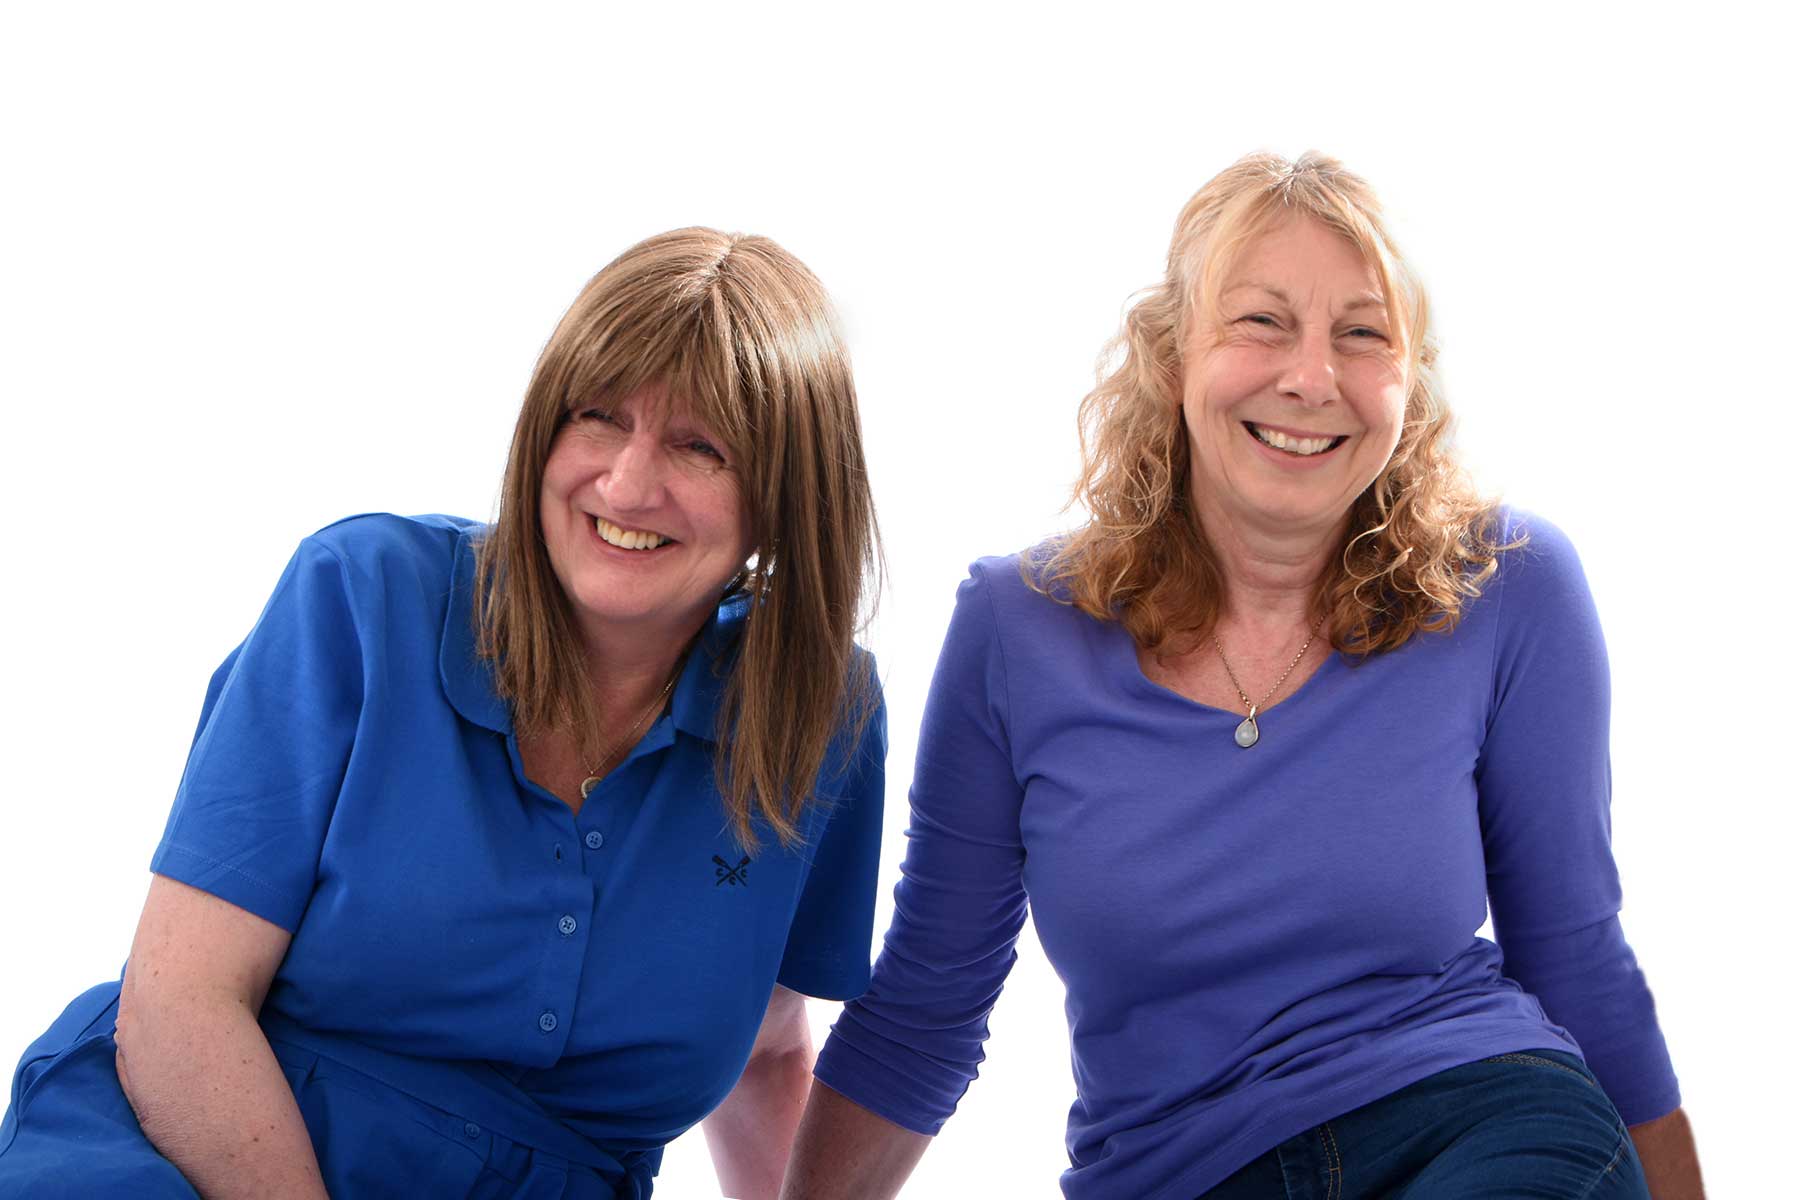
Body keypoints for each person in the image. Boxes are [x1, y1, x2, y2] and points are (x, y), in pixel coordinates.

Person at [780, 154, 1704, 1199]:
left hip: (1484, 1121)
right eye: (1262, 321)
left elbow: (1579, 958)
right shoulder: (1018, 627)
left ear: (1410, 378)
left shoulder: (1506, 586)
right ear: (1173, 358)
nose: (1312, 377)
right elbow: (924, 1012)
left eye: (1362, 333)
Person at [0, 228, 886, 1200]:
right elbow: (179, 1001)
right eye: (598, 419)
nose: (629, 484)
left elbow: (763, 1052)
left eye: (698, 445)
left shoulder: (820, 717)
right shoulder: (361, 599)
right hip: (193, 1153)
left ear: (788, 496)